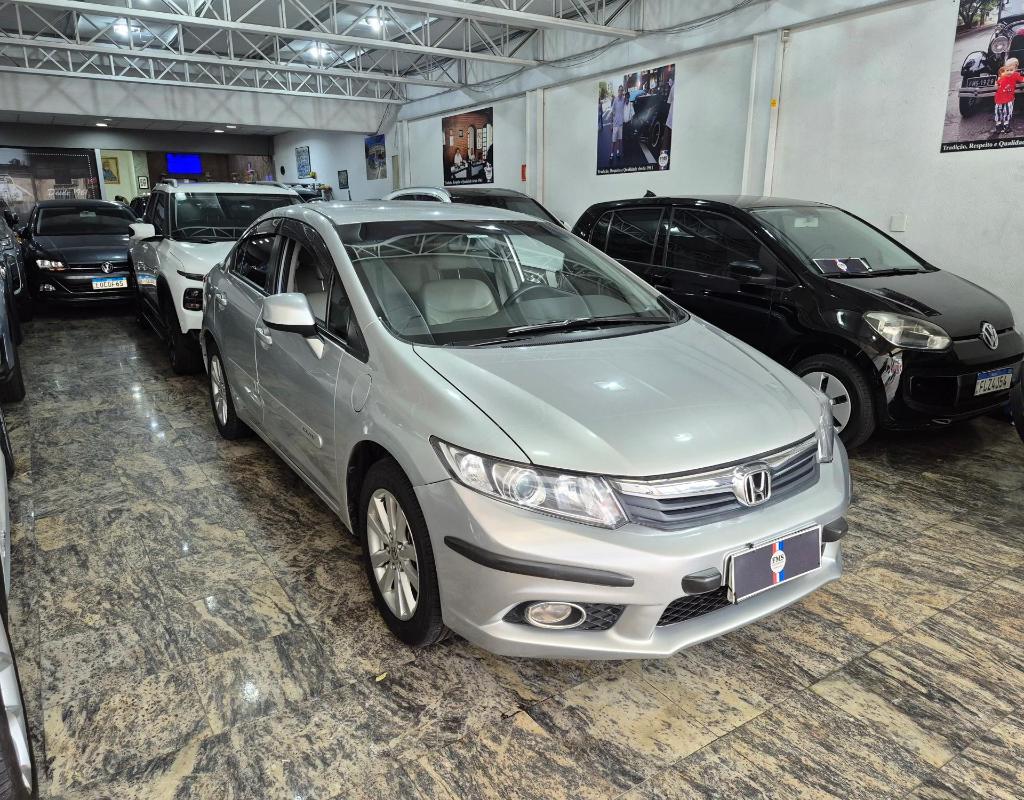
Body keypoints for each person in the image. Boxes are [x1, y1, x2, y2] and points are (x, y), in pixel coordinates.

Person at [992, 57, 1024, 136]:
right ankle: (998, 125)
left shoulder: (1016, 75)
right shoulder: (1003, 76)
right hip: (999, 98)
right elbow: (998, 83)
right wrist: (996, 83)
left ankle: (1006, 125)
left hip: (1009, 98)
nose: (1009, 72)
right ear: (1005, 69)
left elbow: (1022, 79)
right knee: (998, 112)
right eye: (1007, 70)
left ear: (1015, 69)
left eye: (1011, 70)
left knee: (1007, 112)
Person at [611, 85, 628, 162]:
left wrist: (627, 98)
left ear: (622, 91)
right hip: (615, 124)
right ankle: (611, 154)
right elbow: (612, 112)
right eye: (620, 90)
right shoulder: (615, 100)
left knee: (619, 139)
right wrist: (611, 123)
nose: (621, 92)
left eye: (622, 90)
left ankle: (617, 152)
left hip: (621, 124)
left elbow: (627, 103)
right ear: (618, 91)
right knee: (613, 140)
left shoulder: (624, 100)